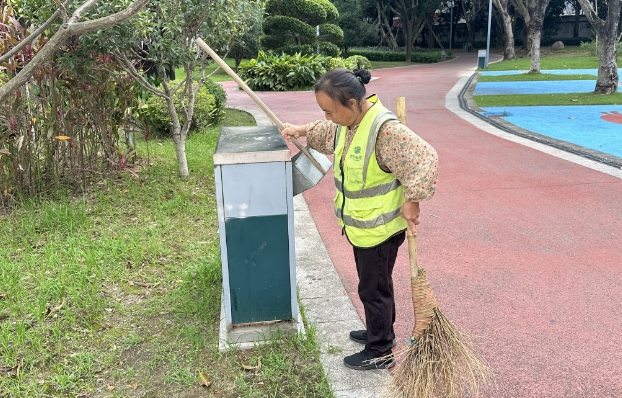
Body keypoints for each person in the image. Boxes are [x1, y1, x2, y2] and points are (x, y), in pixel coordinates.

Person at [280, 68, 438, 370]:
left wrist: (413, 199)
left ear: (352, 102)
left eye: (330, 111)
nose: (327, 117)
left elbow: (425, 157)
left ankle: (379, 350)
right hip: (363, 226)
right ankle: (381, 330)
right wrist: (299, 130)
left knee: (372, 289)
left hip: (381, 229)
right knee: (377, 284)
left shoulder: (384, 129)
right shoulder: (347, 123)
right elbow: (327, 134)